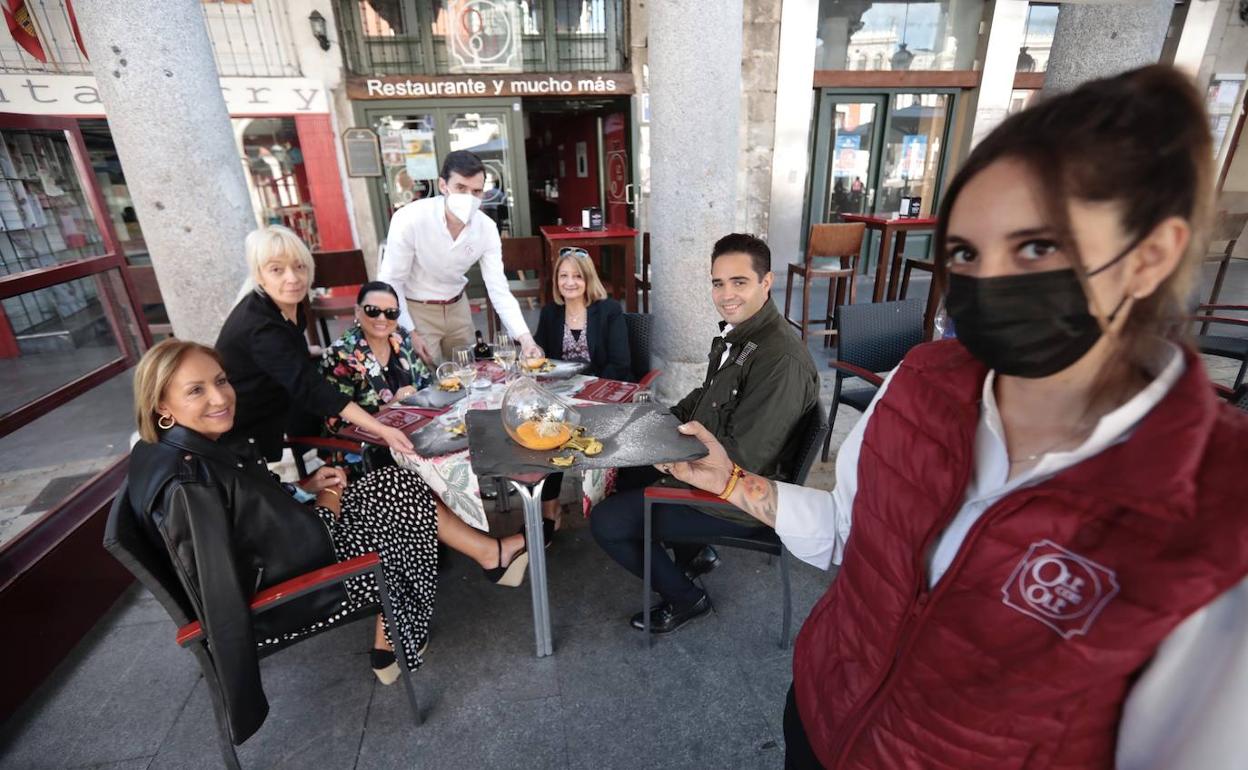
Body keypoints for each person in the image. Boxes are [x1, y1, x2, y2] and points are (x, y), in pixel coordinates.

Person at [660, 66, 1248, 769]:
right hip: (819, 717)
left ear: (1150, 256)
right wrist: (734, 485)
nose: (988, 281)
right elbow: (854, 540)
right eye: (966, 253)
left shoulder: (1220, 518)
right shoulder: (921, 384)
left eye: (1036, 246)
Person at [126, 341, 531, 706]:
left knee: (396, 482)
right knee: (404, 515)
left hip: (280, 558)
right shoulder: (190, 484)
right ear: (162, 404)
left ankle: (489, 555)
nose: (219, 397)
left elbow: (249, 517)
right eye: (196, 390)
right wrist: (328, 498)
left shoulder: (179, 449)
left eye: (221, 381)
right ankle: (396, 641)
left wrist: (302, 486)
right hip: (288, 597)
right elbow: (299, 549)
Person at [590, 233, 820, 634]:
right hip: (719, 476)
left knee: (607, 523)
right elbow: (704, 398)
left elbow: (746, 460)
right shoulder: (745, 338)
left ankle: (687, 599)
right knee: (624, 473)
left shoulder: (779, 359)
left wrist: (673, 461)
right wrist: (653, 425)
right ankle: (695, 553)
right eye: (718, 283)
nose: (726, 294)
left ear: (766, 283)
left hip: (739, 499)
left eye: (739, 282)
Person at [215, 225, 414, 462]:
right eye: (277, 270)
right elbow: (312, 389)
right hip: (246, 427)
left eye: (299, 266)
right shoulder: (262, 328)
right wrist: (381, 430)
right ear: (259, 275)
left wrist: (305, 352)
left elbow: (284, 349)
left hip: (280, 400)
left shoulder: (285, 303)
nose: (293, 278)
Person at [377, 149, 542, 363]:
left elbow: (498, 288)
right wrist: (409, 330)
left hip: (458, 308)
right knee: (429, 381)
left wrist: (525, 338)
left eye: (476, 191)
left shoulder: (487, 228)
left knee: (469, 374)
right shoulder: (410, 218)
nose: (469, 198)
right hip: (417, 308)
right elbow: (392, 280)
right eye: (461, 188)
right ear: (443, 185)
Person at [534, 247, 633, 533]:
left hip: (602, 395)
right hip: (560, 398)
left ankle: (605, 505)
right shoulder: (551, 313)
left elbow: (620, 363)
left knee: (557, 422)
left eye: (577, 276)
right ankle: (549, 508)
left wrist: (580, 388)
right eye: (563, 276)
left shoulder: (609, 310)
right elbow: (543, 358)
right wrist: (534, 353)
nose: (569, 282)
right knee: (545, 431)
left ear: (588, 279)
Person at [320, 281, 432, 478]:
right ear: (357, 311)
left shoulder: (400, 338)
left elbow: (425, 383)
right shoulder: (340, 355)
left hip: (409, 433)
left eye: (391, 313)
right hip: (364, 451)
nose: (382, 318)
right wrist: (390, 406)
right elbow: (335, 422)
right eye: (373, 311)